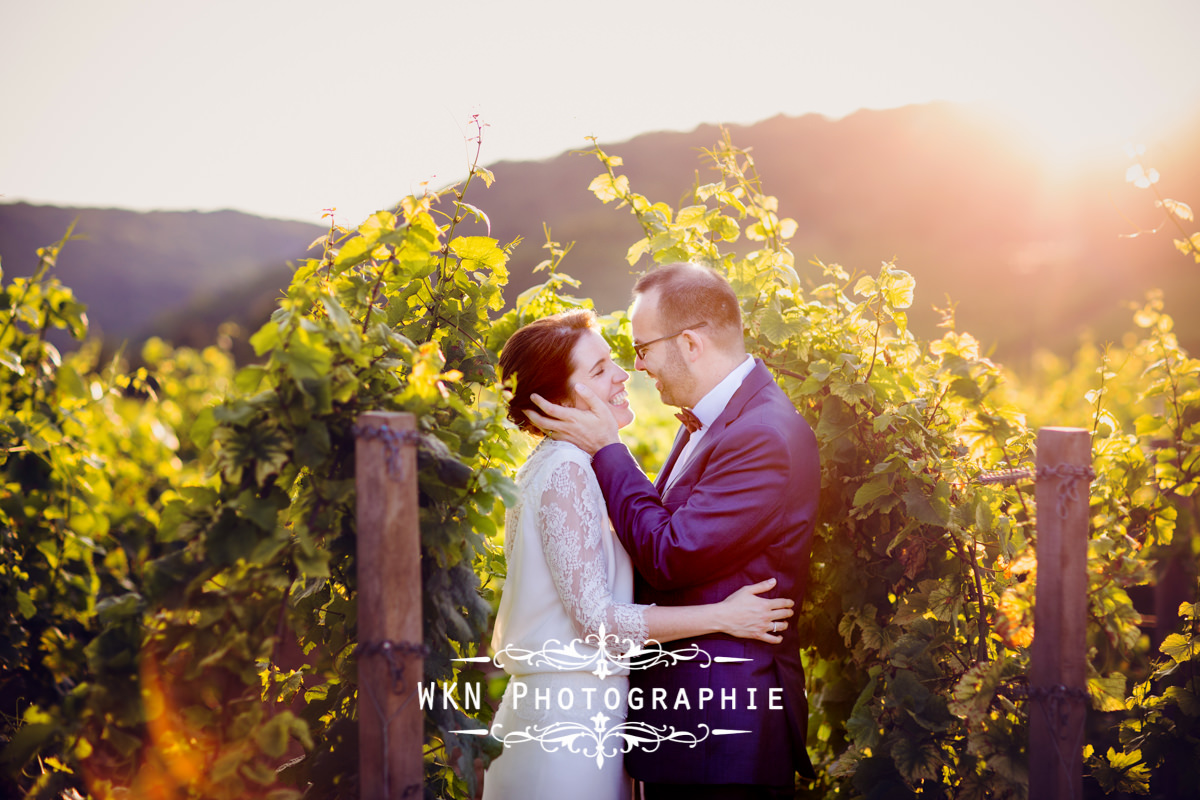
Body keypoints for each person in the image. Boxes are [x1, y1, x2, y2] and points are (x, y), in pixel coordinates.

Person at [526, 263, 819, 799]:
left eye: (641, 348)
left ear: (688, 342)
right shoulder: (717, 420)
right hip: (685, 731)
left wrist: (610, 453)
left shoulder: (762, 435)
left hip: (722, 733)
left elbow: (669, 554)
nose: (636, 368)